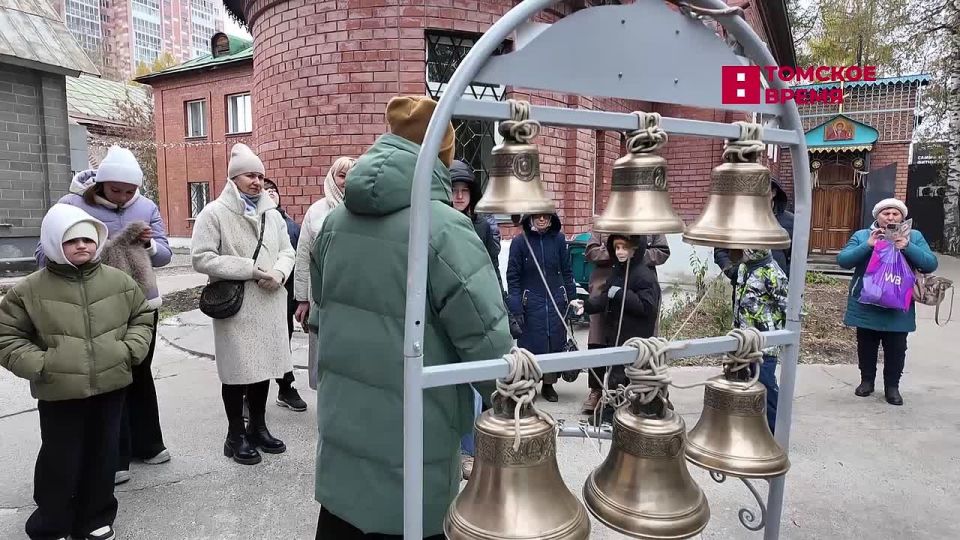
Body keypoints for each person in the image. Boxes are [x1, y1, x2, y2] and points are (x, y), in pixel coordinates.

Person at [309, 96, 511, 539]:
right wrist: (516, 403)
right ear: (444, 155)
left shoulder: (335, 222)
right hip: (413, 442)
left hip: (344, 430)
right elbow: (489, 347)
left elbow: (322, 303)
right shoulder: (443, 227)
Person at [1, 203, 155, 540]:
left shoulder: (119, 282)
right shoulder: (29, 290)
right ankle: (53, 520)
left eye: (88, 238)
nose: (82, 245)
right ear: (55, 242)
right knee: (61, 456)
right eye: (72, 241)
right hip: (59, 391)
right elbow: (7, 335)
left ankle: (96, 516)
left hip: (111, 386)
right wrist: (42, 365)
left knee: (104, 454)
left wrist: (128, 351)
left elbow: (141, 317)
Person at [36, 145, 172, 485]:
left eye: (131, 191)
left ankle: (147, 443)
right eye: (116, 190)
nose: (125, 197)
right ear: (100, 183)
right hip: (94, 303)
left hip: (142, 304)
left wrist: (150, 245)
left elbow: (165, 254)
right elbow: (45, 252)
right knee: (112, 379)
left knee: (140, 373)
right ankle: (114, 455)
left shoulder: (147, 206)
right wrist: (96, 247)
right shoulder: (71, 204)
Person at [191, 143, 296, 465]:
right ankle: (235, 435)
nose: (257, 181)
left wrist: (278, 273)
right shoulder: (214, 213)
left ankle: (258, 428)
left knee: (263, 367)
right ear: (234, 177)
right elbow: (201, 258)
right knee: (237, 372)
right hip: (236, 305)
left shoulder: (271, 213)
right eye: (251, 175)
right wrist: (248, 269)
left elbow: (287, 250)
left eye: (261, 176)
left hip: (269, 300)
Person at [837, 198, 938, 406]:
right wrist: (868, 245)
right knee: (866, 346)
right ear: (877, 216)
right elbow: (843, 261)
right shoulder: (863, 235)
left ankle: (892, 387)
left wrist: (908, 247)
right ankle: (867, 381)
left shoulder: (914, 236)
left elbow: (930, 264)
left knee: (896, 348)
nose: (890, 217)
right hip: (867, 303)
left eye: (895, 214)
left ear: (902, 217)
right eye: (886, 213)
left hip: (899, 305)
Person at [449, 159, 501, 479]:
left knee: (476, 386)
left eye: (464, 190)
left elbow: (491, 269)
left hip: (477, 308)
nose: (458, 196)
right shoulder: (436, 222)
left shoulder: (482, 225)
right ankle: (455, 448)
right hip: (447, 309)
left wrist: (501, 306)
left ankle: (469, 450)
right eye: (453, 190)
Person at [582, 233, 670, 414]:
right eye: (617, 248)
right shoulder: (618, 271)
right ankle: (613, 409)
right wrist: (586, 306)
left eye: (624, 248)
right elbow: (607, 296)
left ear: (635, 249)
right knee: (616, 374)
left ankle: (648, 405)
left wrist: (622, 294)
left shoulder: (644, 275)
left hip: (635, 335)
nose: (620, 252)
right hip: (618, 333)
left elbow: (647, 307)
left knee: (635, 376)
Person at [293, 156, 357, 391]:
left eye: (351, 176)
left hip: (353, 298)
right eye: (341, 175)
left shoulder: (363, 209)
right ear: (331, 178)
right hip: (321, 297)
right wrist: (302, 299)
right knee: (323, 358)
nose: (346, 181)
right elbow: (302, 256)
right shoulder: (316, 211)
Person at [506, 212, 578, 403]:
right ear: (529, 218)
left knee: (553, 342)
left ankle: (549, 384)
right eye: (537, 216)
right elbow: (513, 278)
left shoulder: (559, 240)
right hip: (530, 301)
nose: (541, 219)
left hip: (555, 299)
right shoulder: (520, 243)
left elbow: (567, 271)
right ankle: (529, 384)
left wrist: (572, 299)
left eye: (545, 216)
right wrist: (515, 309)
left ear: (551, 218)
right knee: (531, 345)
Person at [262, 178, 307, 412]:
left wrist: (301, 298)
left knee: (282, 342)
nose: (270, 194)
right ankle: (249, 397)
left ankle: (285, 388)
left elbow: (300, 262)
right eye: (265, 191)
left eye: (274, 191)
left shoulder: (291, 226)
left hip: (284, 296)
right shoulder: (253, 221)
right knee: (257, 346)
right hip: (258, 295)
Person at [732, 248, 788, 432]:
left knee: (765, 384)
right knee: (742, 382)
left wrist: (782, 335)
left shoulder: (772, 272)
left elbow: (788, 305)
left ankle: (775, 429)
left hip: (765, 343)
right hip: (743, 340)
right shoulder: (743, 268)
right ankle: (749, 426)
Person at [715, 178, 794, 284]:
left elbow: (797, 256)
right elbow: (720, 249)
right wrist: (734, 272)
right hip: (745, 290)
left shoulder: (790, 221)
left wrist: (786, 277)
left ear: (773, 192)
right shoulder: (737, 219)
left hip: (777, 292)